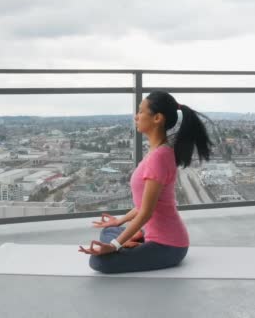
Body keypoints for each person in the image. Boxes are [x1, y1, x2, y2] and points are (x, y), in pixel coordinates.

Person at [79, 91, 213, 274]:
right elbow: (145, 204)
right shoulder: (158, 152)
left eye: (141, 111)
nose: (136, 116)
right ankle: (135, 237)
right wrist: (119, 221)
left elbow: (146, 212)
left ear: (157, 118)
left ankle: (133, 239)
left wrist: (115, 246)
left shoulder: (159, 157)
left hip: (169, 245)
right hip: (155, 236)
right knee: (108, 232)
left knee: (99, 262)